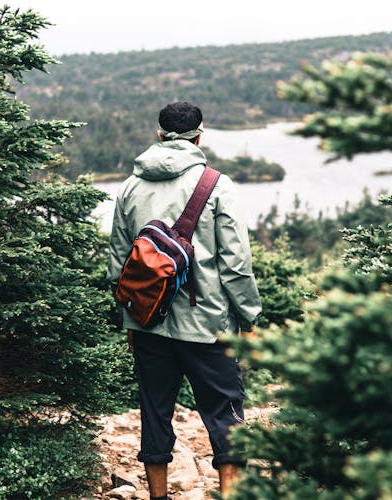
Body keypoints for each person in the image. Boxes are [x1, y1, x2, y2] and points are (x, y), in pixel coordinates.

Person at [107, 101, 262, 498]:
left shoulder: (129, 186)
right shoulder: (216, 185)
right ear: (200, 136)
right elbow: (236, 264)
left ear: (159, 135)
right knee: (225, 413)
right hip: (208, 326)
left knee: (154, 410)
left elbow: (119, 264)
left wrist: (131, 317)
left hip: (146, 322)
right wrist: (249, 320)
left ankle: (159, 496)